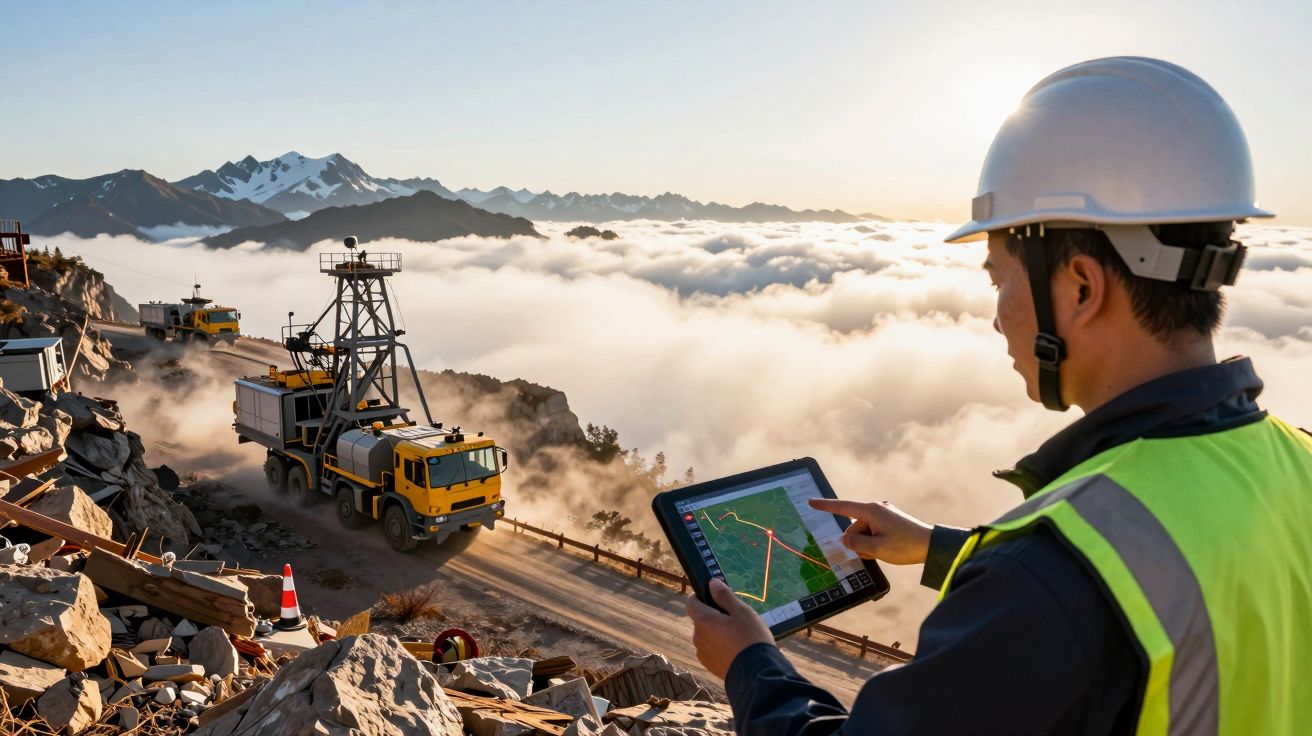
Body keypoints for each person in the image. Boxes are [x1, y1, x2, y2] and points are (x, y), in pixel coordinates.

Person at [686, 56, 1312, 735]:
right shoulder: (1294, 462)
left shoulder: (1043, 580)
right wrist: (937, 548)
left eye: (998, 280)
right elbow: (1165, 596)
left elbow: (1077, 598)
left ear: (1080, 287)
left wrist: (751, 663)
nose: (996, 314)